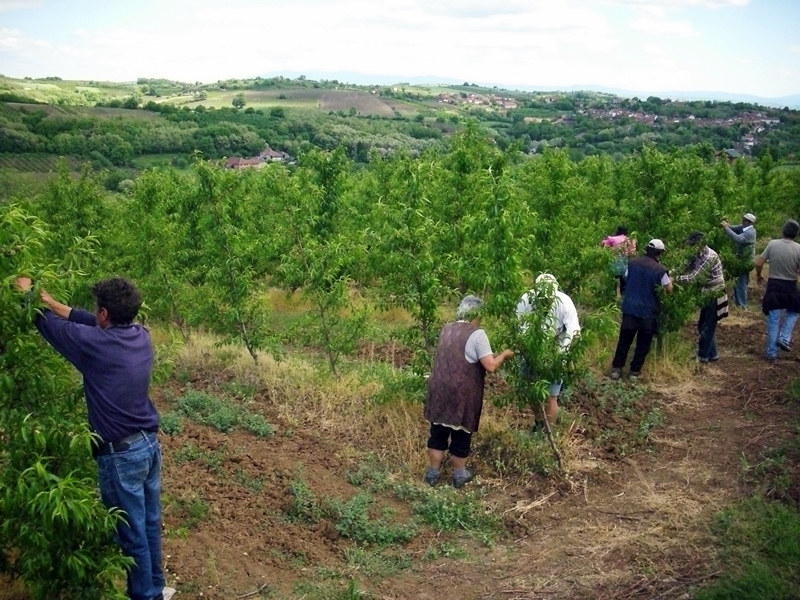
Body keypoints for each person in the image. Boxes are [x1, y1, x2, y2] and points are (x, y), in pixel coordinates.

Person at [14, 277, 175, 600]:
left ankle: (146, 596)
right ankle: (155, 588)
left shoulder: (93, 345)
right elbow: (87, 322)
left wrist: (28, 295)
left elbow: (47, 325)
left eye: (96, 311)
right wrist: (51, 300)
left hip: (121, 457)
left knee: (131, 536)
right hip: (147, 447)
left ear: (104, 314)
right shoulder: (140, 335)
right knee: (149, 524)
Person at [423, 295, 513, 488]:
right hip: (461, 395)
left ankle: (432, 473)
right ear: (477, 314)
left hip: (439, 389)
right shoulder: (477, 334)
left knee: (437, 432)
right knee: (461, 434)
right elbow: (490, 365)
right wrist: (505, 354)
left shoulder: (446, 329)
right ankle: (459, 475)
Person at [515, 273, 580, 428]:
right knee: (529, 392)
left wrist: (559, 357)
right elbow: (520, 330)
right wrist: (530, 354)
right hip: (531, 351)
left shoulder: (564, 303)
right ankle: (539, 422)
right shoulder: (525, 300)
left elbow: (574, 333)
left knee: (551, 396)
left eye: (548, 299)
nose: (545, 301)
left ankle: (546, 432)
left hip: (556, 351)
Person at [610, 239, 673, 379]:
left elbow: (626, 278)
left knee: (624, 340)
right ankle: (634, 372)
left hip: (630, 308)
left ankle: (616, 369)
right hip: (648, 312)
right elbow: (669, 289)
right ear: (660, 253)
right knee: (643, 343)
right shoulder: (660, 270)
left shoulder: (632, 263)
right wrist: (671, 279)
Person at [675, 232, 728, 363]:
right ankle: (713, 354)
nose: (691, 247)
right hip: (706, 292)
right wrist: (668, 273)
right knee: (702, 325)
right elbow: (684, 267)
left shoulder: (709, 256)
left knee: (708, 326)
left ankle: (703, 356)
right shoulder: (697, 254)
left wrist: (674, 279)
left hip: (715, 292)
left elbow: (695, 277)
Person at [754, 219, 800, 361]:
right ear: (796, 234)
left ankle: (772, 353)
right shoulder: (798, 248)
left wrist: (759, 275)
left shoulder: (773, 244)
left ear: (783, 230)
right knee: (794, 312)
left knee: (774, 319)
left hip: (774, 285)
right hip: (790, 286)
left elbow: (759, 262)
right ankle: (784, 338)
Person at [721, 212, 757, 307]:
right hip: (741, 261)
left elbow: (737, 238)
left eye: (744, 220)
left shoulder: (750, 232)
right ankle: (739, 304)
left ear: (749, 222)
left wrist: (726, 228)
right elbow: (732, 228)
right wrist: (727, 225)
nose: (742, 221)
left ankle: (742, 306)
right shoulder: (744, 228)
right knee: (738, 282)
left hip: (745, 262)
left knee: (741, 283)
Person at [602, 226, 637, 295]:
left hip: (615, 261)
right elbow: (633, 252)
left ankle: (613, 293)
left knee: (614, 278)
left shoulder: (613, 238)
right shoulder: (630, 240)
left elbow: (603, 243)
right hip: (626, 261)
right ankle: (623, 293)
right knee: (623, 279)